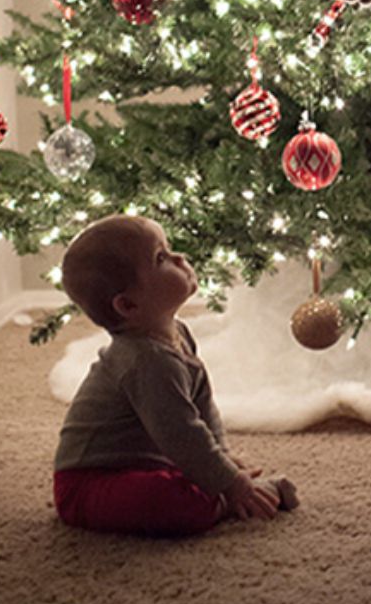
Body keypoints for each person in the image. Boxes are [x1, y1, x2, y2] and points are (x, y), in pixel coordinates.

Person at [52, 214, 298, 537]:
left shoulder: (178, 333)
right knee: (174, 501)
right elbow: (180, 432)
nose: (180, 258)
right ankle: (231, 501)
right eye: (161, 258)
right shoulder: (146, 361)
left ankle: (223, 488)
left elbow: (201, 404)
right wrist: (233, 484)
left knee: (197, 471)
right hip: (90, 485)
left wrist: (222, 458)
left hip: (146, 462)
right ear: (128, 305)